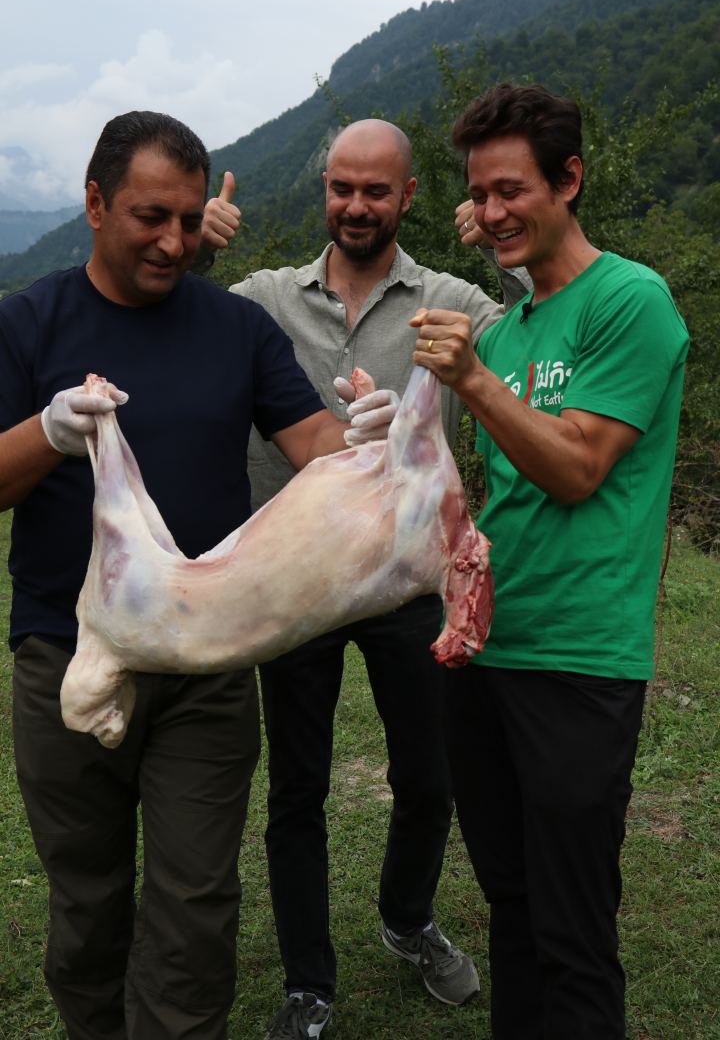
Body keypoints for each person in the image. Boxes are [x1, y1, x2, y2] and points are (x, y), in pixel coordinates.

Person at [0, 110, 395, 1040]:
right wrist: (49, 433)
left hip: (208, 661)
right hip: (67, 651)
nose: (174, 241)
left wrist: (369, 436)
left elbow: (313, 443)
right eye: (150, 216)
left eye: (187, 219)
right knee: (87, 896)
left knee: (196, 897)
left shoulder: (236, 327)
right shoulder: (27, 320)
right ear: (95, 204)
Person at [200, 118, 529, 1039]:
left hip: (405, 583)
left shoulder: (453, 296)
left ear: (409, 196)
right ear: (326, 191)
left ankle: (408, 917)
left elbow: (543, 330)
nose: (354, 206)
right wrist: (191, 247)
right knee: (297, 789)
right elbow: (174, 325)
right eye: (341, 188)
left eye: (374, 191)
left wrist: (507, 250)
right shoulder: (263, 295)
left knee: (430, 776)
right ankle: (310, 981)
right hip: (296, 584)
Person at [410, 83, 690, 1040]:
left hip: (578, 659)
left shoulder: (630, 301)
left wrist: (474, 380)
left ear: (569, 180)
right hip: (487, 651)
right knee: (513, 906)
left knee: (573, 930)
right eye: (478, 195)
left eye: (511, 191)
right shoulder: (517, 321)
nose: (490, 215)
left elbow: (575, 469)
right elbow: (514, 491)